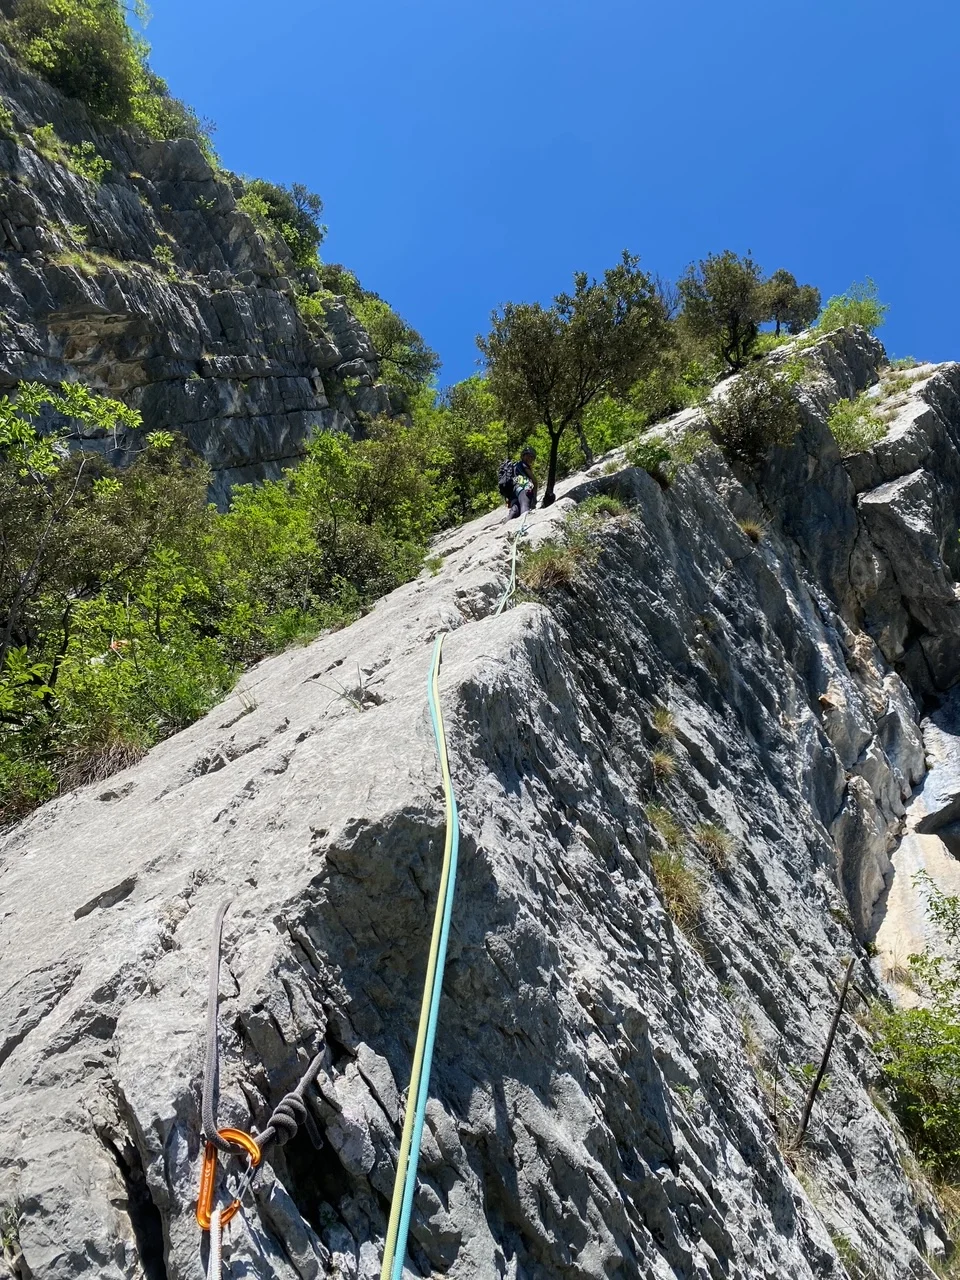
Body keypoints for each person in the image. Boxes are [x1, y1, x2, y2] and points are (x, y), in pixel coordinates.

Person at [506, 447, 537, 520]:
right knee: (525, 506)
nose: (530, 458)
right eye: (529, 456)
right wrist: (534, 497)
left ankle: (505, 525)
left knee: (515, 510)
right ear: (524, 456)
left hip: (513, 492)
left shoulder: (515, 466)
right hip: (522, 489)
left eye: (532, 457)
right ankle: (524, 524)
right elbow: (534, 481)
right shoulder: (524, 465)